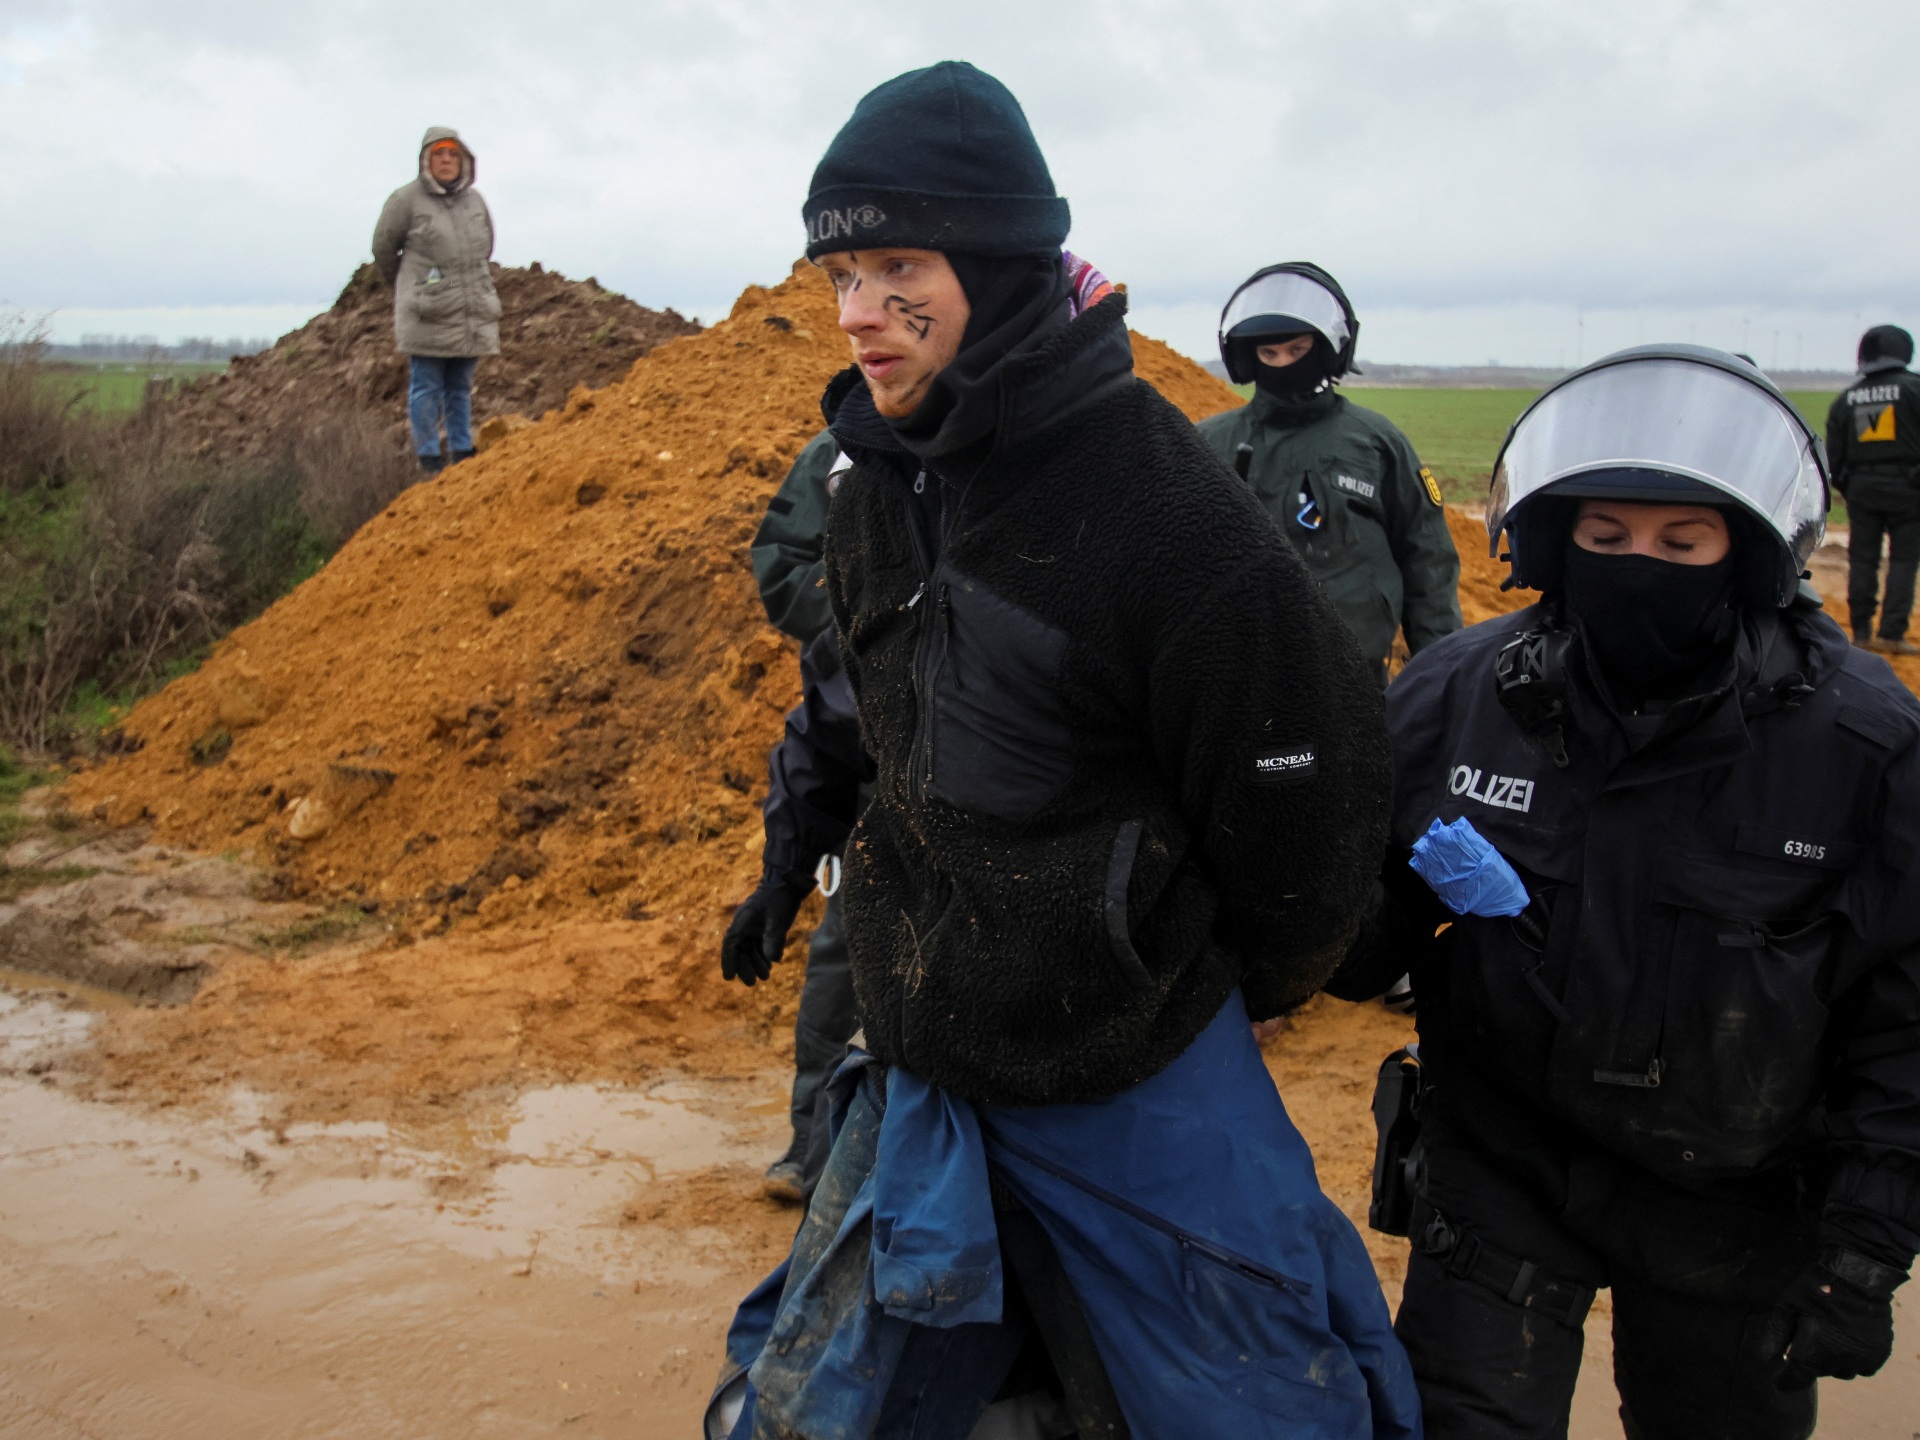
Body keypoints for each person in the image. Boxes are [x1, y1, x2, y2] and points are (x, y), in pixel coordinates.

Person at [704, 62, 1420, 1440]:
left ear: (1001, 262)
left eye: (898, 265)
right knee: (818, 1406)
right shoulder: (876, 488)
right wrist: (793, 859)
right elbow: (859, 708)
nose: (859, 313)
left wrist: (1226, 979)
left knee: (1262, 1403)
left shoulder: (1161, 511)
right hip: (929, 1054)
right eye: (841, 272)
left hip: (1131, 1068)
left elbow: (1312, 794)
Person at [1333, 345, 1919, 1438]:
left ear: (1744, 555)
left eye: (1680, 541)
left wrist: (1866, 1247)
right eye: (1606, 537)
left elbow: (1906, 1008)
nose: (1637, 560)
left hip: (1735, 1196)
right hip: (1503, 1163)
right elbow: (1362, 924)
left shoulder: (1862, 746)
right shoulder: (1460, 696)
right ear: (1559, 542)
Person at [1197, 265, 1460, 683]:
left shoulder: (1375, 441)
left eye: (1296, 351)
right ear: (1250, 357)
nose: (1282, 363)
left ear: (1325, 349)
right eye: (1269, 354)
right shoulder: (1209, 444)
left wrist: (1442, 674)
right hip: (1237, 674)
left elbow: (1427, 557)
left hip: (1353, 674)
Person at [744, 429, 859, 1202]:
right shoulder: (846, 450)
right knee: (844, 954)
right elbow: (781, 566)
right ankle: (812, 1150)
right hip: (870, 736)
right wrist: (870, 600)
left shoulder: (1025, 428)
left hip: (1006, 753)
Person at [372, 127, 501, 473]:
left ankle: (461, 451)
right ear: (426, 160)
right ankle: (429, 457)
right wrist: (408, 286)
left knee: (460, 386)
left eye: (452, 154)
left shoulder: (475, 202)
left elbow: (486, 247)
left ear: (463, 160)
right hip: (427, 312)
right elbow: (383, 247)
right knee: (426, 385)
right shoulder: (406, 200)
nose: (446, 160)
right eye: (439, 154)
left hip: (469, 310)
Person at [1827, 324, 1920, 655]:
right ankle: (1893, 634)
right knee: (1904, 560)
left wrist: (1847, 486)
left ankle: (1862, 632)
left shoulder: (1846, 399)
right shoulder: (1915, 389)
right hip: (1910, 489)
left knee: (1862, 559)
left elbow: (1833, 456)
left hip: (1861, 490)